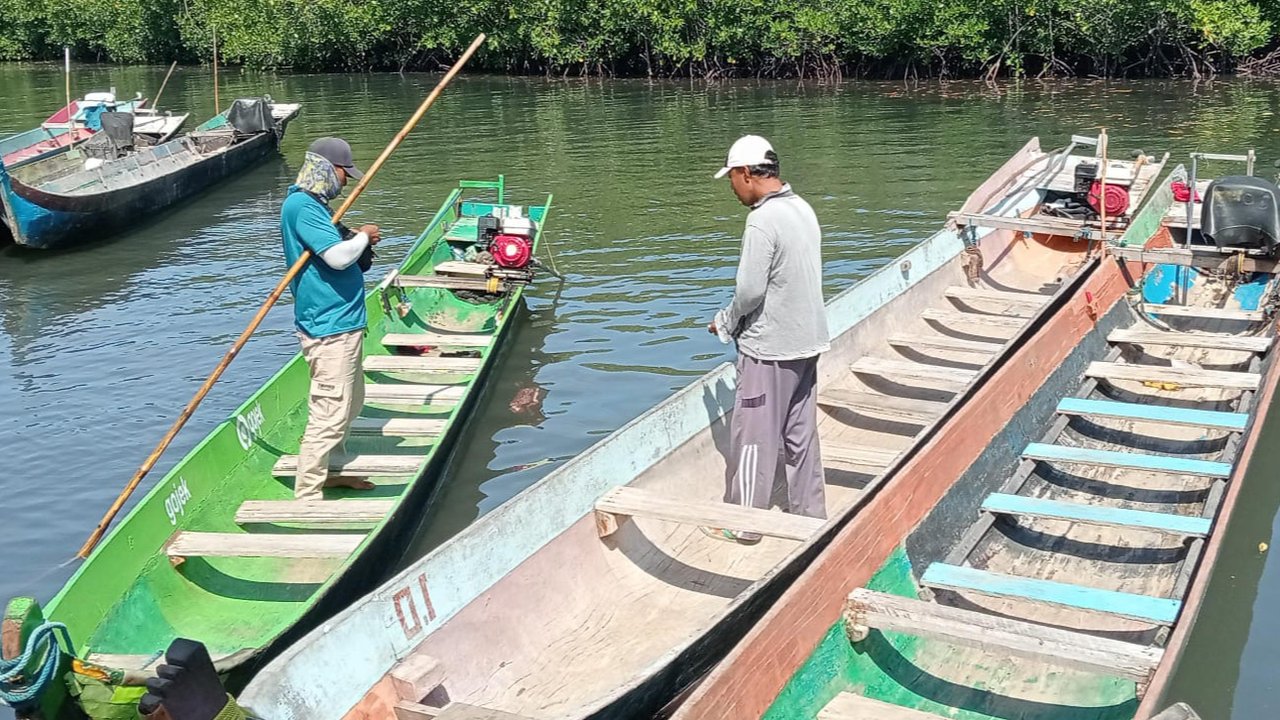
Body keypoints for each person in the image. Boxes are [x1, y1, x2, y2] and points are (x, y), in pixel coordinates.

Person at [704, 135, 830, 544]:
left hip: (771, 347)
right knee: (801, 435)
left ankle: (746, 522)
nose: (733, 189)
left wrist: (724, 322)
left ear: (745, 174)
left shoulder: (762, 220)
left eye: (732, 180)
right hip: (808, 340)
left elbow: (750, 292)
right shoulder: (802, 208)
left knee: (753, 436)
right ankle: (811, 516)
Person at [282, 137, 381, 501]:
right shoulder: (303, 206)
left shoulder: (316, 209)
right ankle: (307, 493)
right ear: (327, 169)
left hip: (345, 322)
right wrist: (364, 236)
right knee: (330, 411)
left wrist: (358, 240)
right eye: (343, 173)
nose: (344, 182)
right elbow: (338, 257)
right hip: (329, 327)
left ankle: (332, 471)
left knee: (351, 402)